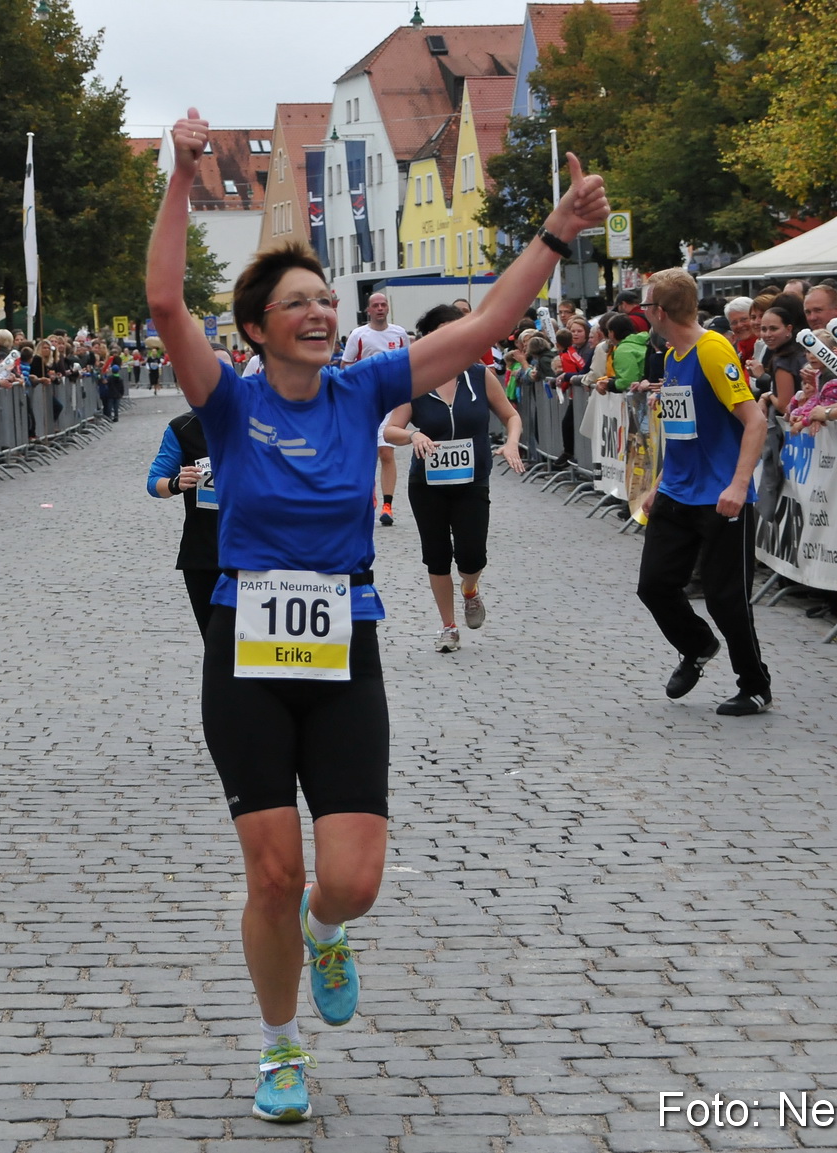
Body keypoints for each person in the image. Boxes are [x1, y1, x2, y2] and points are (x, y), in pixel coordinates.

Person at [147, 106, 607, 1124]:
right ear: (258, 326)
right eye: (295, 303)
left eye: (325, 299)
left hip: (344, 647)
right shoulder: (227, 402)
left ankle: (327, 931)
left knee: (345, 881)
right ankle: (278, 1048)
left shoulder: (364, 390)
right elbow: (165, 299)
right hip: (246, 651)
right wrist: (180, 179)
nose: (317, 312)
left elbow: (484, 328)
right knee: (271, 871)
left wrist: (558, 234)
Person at [634, 268, 770, 716]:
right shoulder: (674, 356)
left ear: (659, 311)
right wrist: (657, 485)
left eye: (645, 306)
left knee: (726, 599)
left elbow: (756, 421)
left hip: (719, 496)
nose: (644, 313)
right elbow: (681, 431)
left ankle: (754, 685)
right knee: (654, 585)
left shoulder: (712, 351)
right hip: (677, 491)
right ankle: (697, 646)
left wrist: (738, 484)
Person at [383, 303, 524, 652]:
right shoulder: (414, 382)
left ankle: (471, 590)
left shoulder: (479, 375)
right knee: (436, 555)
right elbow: (391, 429)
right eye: (444, 330)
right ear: (429, 337)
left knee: (472, 555)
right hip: (427, 484)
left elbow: (511, 415)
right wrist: (413, 436)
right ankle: (448, 627)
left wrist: (511, 443)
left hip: (472, 479)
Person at [147, 355, 224, 636]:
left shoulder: (256, 423)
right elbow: (154, 483)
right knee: (215, 642)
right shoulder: (182, 428)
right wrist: (178, 482)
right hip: (203, 552)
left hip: (254, 550)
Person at [342, 292, 410, 527]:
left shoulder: (399, 333)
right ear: (368, 310)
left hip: (391, 401)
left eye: (383, 305)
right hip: (365, 403)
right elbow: (346, 366)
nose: (380, 308)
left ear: (387, 308)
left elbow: (407, 363)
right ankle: (366, 495)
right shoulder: (359, 335)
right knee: (366, 453)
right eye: (375, 306)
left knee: (386, 453)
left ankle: (387, 505)